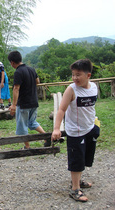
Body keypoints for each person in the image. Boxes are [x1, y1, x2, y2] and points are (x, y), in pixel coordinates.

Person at [51, 59, 100, 202]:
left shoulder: (94, 87)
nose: (74, 78)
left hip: (90, 128)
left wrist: (95, 123)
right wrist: (56, 128)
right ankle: (74, 190)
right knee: (76, 160)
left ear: (88, 75)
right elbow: (61, 109)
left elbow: (91, 107)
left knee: (84, 158)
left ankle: (77, 181)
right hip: (76, 131)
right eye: (73, 74)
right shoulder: (71, 89)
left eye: (78, 75)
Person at [8, 51, 49, 149]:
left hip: (23, 104)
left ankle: (27, 147)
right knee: (32, 122)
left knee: (22, 126)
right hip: (34, 102)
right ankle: (47, 137)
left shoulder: (18, 72)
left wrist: (13, 105)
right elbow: (37, 81)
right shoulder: (31, 69)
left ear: (12, 62)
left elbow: (16, 88)